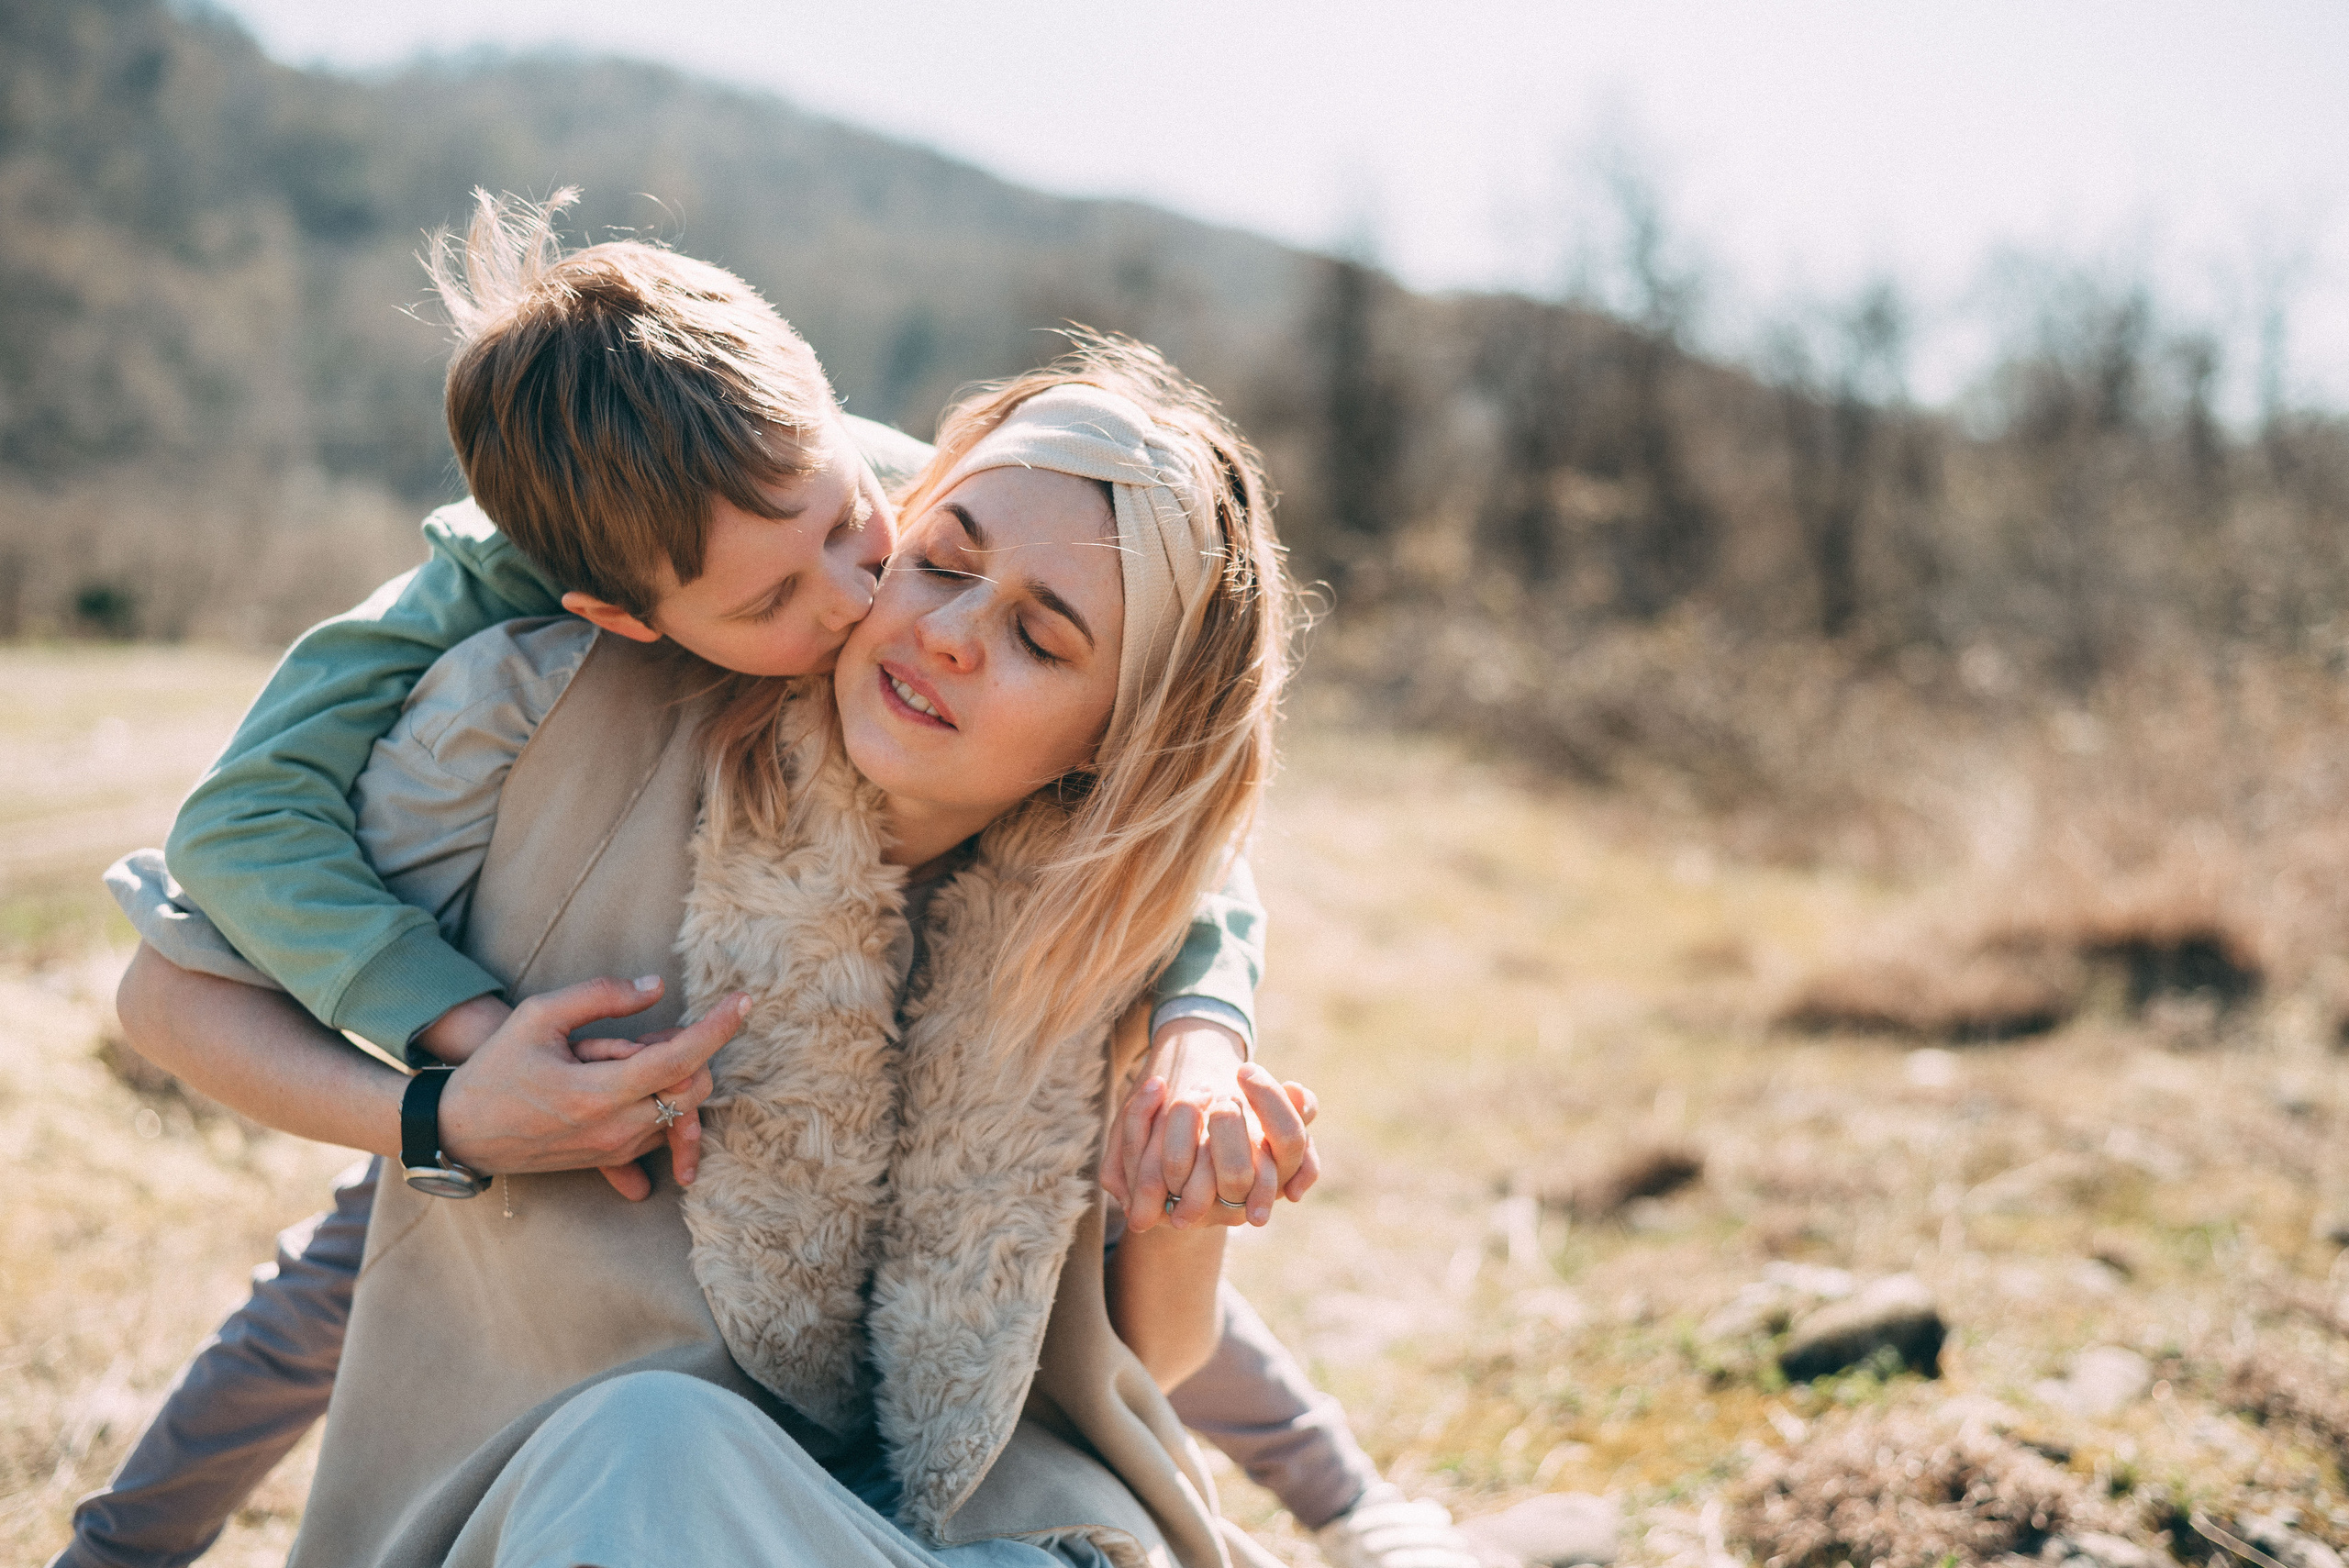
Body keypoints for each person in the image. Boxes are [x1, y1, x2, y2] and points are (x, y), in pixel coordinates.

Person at [63, 202, 1488, 1568]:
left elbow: (1114, 1313)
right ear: (632, 616)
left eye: (1036, 636)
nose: (896, 615)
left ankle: (1356, 1502)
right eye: (939, 564)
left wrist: (1202, 1040)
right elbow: (231, 884)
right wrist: (449, 1086)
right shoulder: (534, 691)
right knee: (405, 1253)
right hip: (629, 1458)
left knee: (983, 1213)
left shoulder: (941, 597)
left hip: (954, 1498)